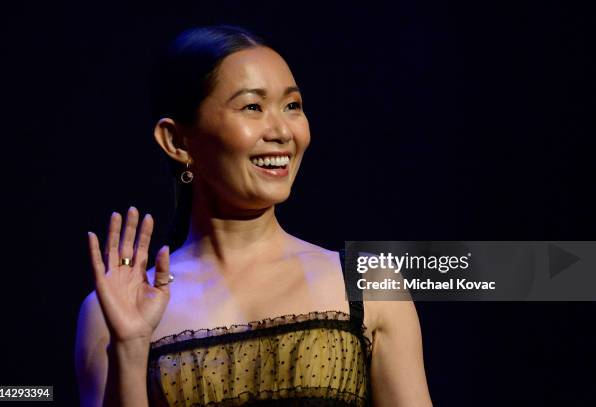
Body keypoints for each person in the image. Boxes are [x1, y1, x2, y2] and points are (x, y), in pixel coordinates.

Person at [75, 24, 433, 407]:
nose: (281, 130)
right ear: (177, 141)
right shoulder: (115, 310)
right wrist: (129, 348)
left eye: (292, 106)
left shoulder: (370, 286)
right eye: (252, 107)